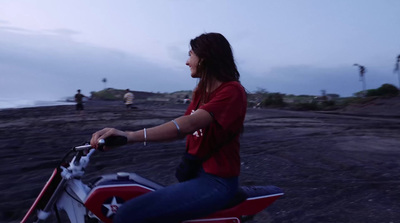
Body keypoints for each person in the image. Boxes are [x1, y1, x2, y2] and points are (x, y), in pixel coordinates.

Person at [90, 32, 247, 223]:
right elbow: (181, 129)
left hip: (217, 181)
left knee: (126, 214)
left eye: (190, 55)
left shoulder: (232, 91)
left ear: (204, 59)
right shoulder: (200, 91)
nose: (187, 62)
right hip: (194, 172)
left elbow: (187, 124)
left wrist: (130, 136)